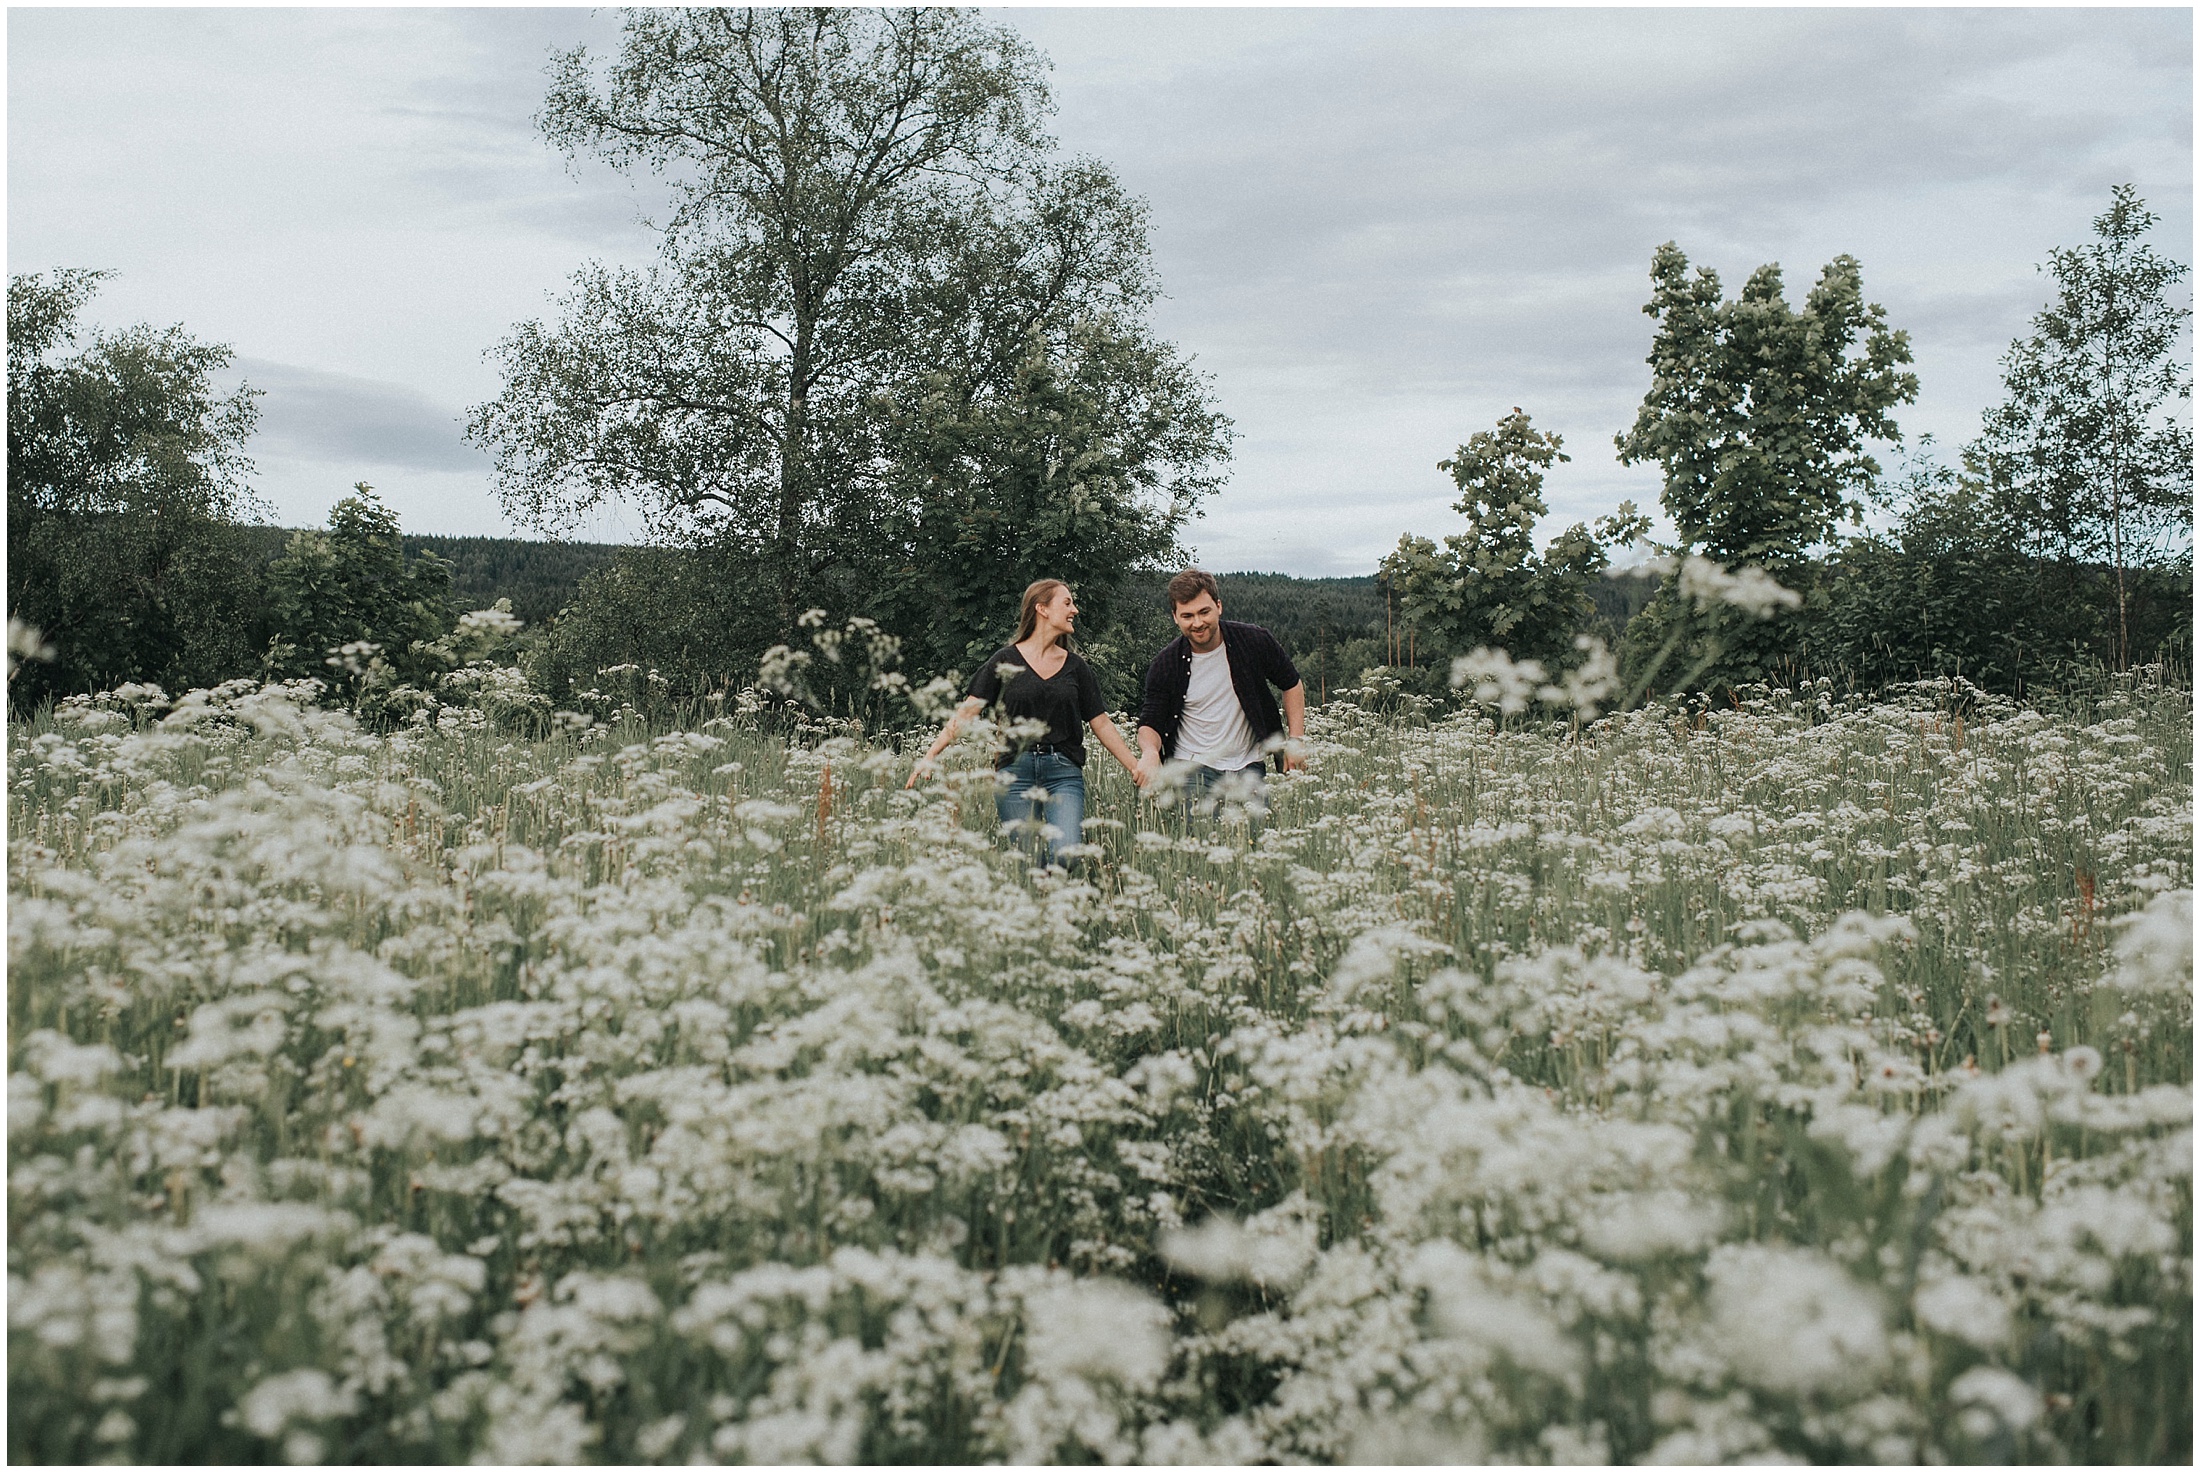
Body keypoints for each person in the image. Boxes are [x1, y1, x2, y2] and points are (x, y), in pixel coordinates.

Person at [907, 579, 1143, 869]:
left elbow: (1101, 723)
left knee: (1066, 855)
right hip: (1014, 773)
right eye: (1067, 603)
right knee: (1029, 865)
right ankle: (1045, 908)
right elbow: (966, 713)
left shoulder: (1077, 667)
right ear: (1041, 608)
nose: (1075, 610)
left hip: (1063, 773)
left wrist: (1136, 766)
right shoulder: (1004, 661)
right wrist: (930, 756)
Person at [1135, 568, 1306, 816]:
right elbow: (1151, 721)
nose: (1197, 623)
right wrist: (1150, 753)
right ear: (1175, 617)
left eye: (1204, 612)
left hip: (1249, 765)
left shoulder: (1254, 641)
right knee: (1202, 845)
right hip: (1192, 768)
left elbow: (1292, 684)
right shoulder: (1166, 664)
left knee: (1254, 845)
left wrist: (1296, 740)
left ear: (1219, 606)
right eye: (1187, 615)